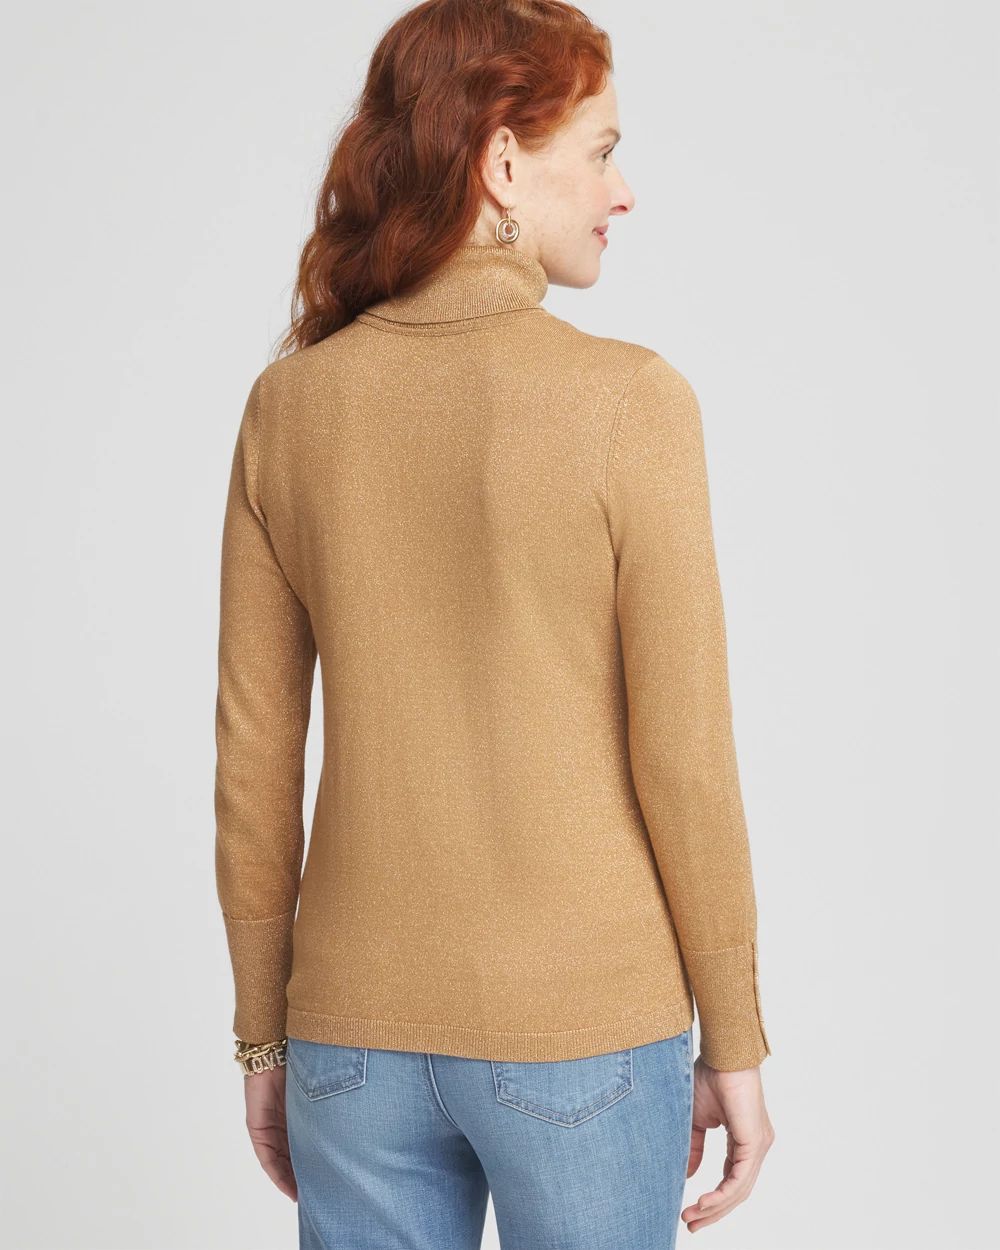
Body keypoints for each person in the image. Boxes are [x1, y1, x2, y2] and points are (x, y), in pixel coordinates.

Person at [214, 2, 775, 1246]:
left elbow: (253, 762)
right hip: (582, 1030)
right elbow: (684, 757)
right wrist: (734, 1036)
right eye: (602, 150)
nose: (622, 191)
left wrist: (264, 1033)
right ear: (504, 164)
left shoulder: (288, 407)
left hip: (347, 1035)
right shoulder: (628, 401)